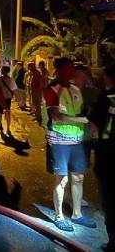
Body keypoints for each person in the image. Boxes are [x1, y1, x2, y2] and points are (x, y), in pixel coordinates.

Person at [44, 57, 96, 232]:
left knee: (78, 177)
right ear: (58, 70)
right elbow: (56, 116)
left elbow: (82, 111)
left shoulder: (75, 89)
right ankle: (59, 216)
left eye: (72, 69)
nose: (71, 72)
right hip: (59, 140)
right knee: (61, 179)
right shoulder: (52, 89)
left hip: (77, 140)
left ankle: (77, 214)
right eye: (67, 69)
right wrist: (83, 120)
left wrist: (89, 123)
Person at [89, 64, 115, 251]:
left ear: (107, 78)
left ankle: (113, 243)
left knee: (111, 202)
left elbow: (93, 125)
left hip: (108, 157)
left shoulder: (106, 98)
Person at [0, 65, 17, 135]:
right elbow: (14, 90)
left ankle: (0, 126)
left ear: (5, 71)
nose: (1, 70)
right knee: (7, 113)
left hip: (0, 98)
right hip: (8, 98)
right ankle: (8, 128)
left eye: (2, 69)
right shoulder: (11, 79)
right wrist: (14, 97)